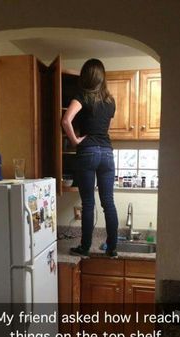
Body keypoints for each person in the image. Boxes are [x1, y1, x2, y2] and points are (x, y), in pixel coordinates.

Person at [61, 58, 118, 259]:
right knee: (108, 201)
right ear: (102, 77)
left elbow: (66, 120)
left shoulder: (82, 96)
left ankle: (85, 247)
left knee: (88, 202)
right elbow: (105, 130)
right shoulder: (110, 101)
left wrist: (76, 140)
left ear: (86, 76)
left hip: (88, 151)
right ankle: (112, 248)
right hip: (107, 153)